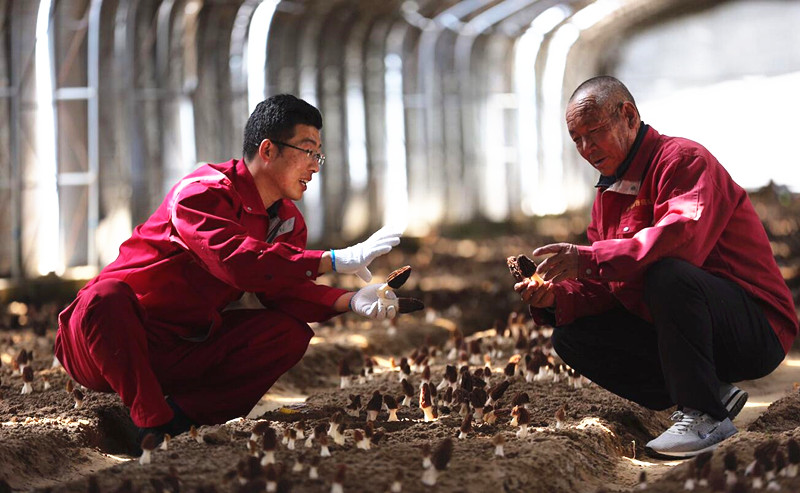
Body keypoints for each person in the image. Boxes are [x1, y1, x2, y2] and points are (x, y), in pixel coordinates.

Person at [55, 94, 403, 444]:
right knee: (106, 296)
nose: (315, 166)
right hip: (105, 345)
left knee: (287, 333)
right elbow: (236, 261)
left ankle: (183, 420)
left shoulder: (286, 222)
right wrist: (333, 259)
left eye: (319, 155)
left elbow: (283, 291)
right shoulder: (203, 192)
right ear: (268, 150)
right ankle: (150, 423)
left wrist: (353, 300)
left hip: (179, 346)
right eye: (308, 151)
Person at [515, 76, 798, 458]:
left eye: (594, 132)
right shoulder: (608, 195)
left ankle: (704, 415)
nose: (586, 147)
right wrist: (553, 297)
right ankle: (712, 391)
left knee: (668, 273)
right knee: (570, 335)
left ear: (628, 116)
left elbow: (680, 239)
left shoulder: (682, 160)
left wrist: (590, 257)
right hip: (692, 330)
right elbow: (608, 285)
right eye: (576, 138)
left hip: (754, 328)